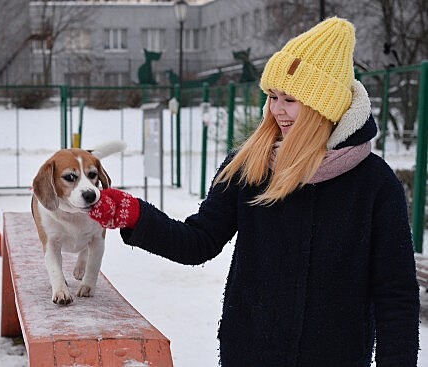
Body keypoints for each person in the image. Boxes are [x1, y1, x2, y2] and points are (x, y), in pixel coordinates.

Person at [89, 17, 420, 366]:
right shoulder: (250, 166)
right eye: (273, 96)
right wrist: (136, 215)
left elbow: (395, 293)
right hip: (249, 352)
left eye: (290, 99)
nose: (277, 110)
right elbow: (198, 240)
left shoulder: (375, 184)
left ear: (324, 107)